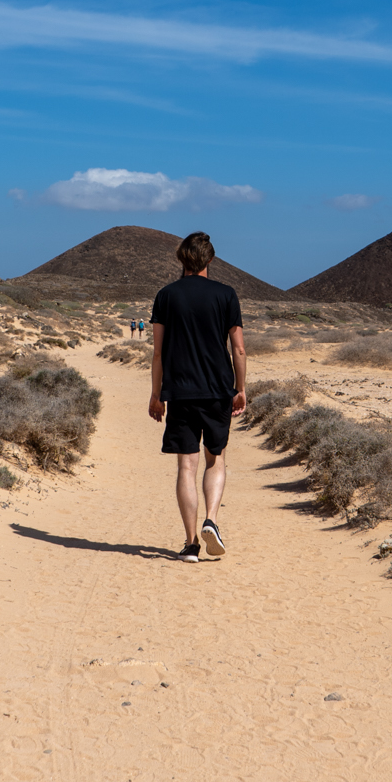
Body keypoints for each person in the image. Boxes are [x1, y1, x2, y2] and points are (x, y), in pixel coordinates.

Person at [148, 230, 247, 562]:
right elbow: (239, 349)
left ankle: (191, 543)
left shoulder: (166, 296)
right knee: (215, 458)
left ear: (181, 259)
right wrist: (241, 388)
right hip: (218, 389)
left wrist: (156, 395)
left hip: (180, 390)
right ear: (211, 259)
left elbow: (158, 353)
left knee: (186, 466)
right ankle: (212, 521)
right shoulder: (226, 295)